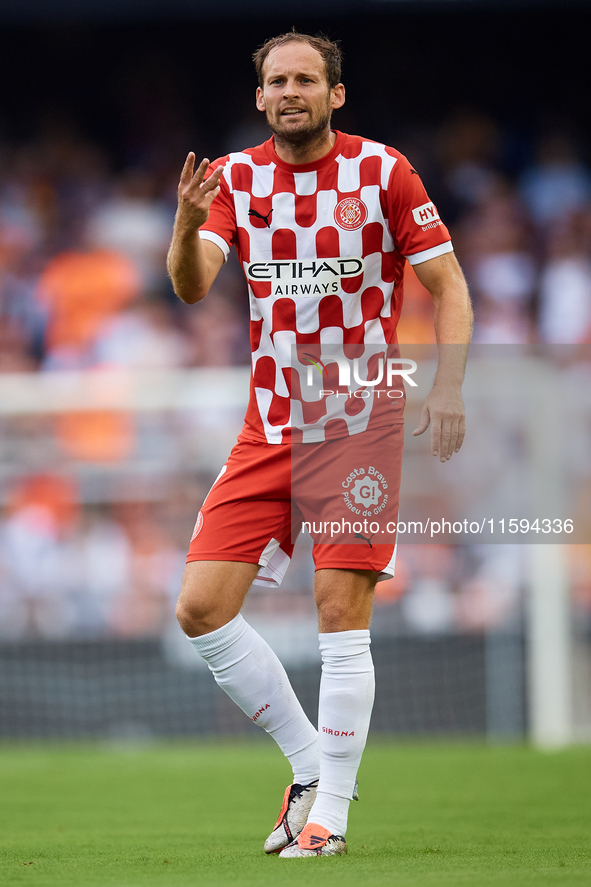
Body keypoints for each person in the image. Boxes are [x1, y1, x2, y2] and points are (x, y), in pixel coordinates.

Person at [167, 32, 472, 858]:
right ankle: (309, 764)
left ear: (336, 94)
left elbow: (448, 286)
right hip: (269, 423)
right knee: (199, 607)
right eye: (277, 80)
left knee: (340, 617)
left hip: (357, 421)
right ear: (260, 96)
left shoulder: (383, 172)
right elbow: (193, 285)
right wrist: (185, 226)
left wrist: (445, 387)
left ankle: (329, 816)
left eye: (307, 78)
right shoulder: (231, 178)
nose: (290, 90)